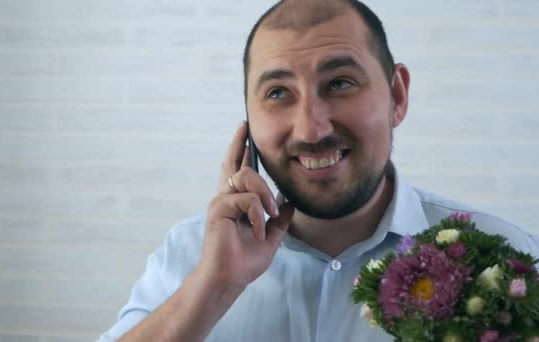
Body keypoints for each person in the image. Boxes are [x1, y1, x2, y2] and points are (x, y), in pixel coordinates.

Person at [99, 0, 539, 341]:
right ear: (249, 119)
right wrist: (215, 285)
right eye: (277, 93)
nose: (312, 128)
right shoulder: (191, 254)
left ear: (397, 96)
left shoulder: (506, 254)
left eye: (341, 83)